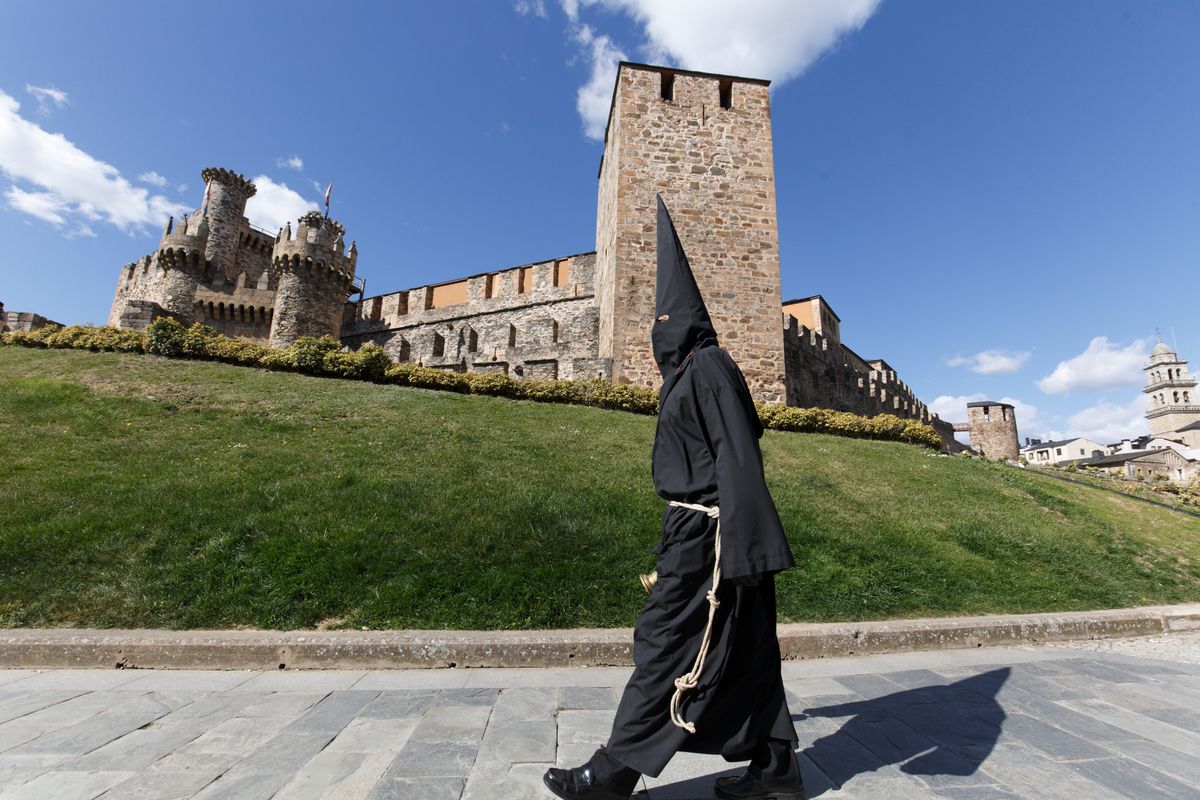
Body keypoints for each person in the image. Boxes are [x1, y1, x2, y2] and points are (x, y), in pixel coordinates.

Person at [544, 197, 804, 800]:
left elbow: (739, 453)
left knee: (665, 643)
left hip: (711, 537)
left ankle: (613, 772)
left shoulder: (708, 366)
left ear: (681, 321)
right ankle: (776, 770)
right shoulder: (692, 371)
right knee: (747, 650)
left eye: (663, 320)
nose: (654, 332)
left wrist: (741, 550)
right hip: (703, 530)